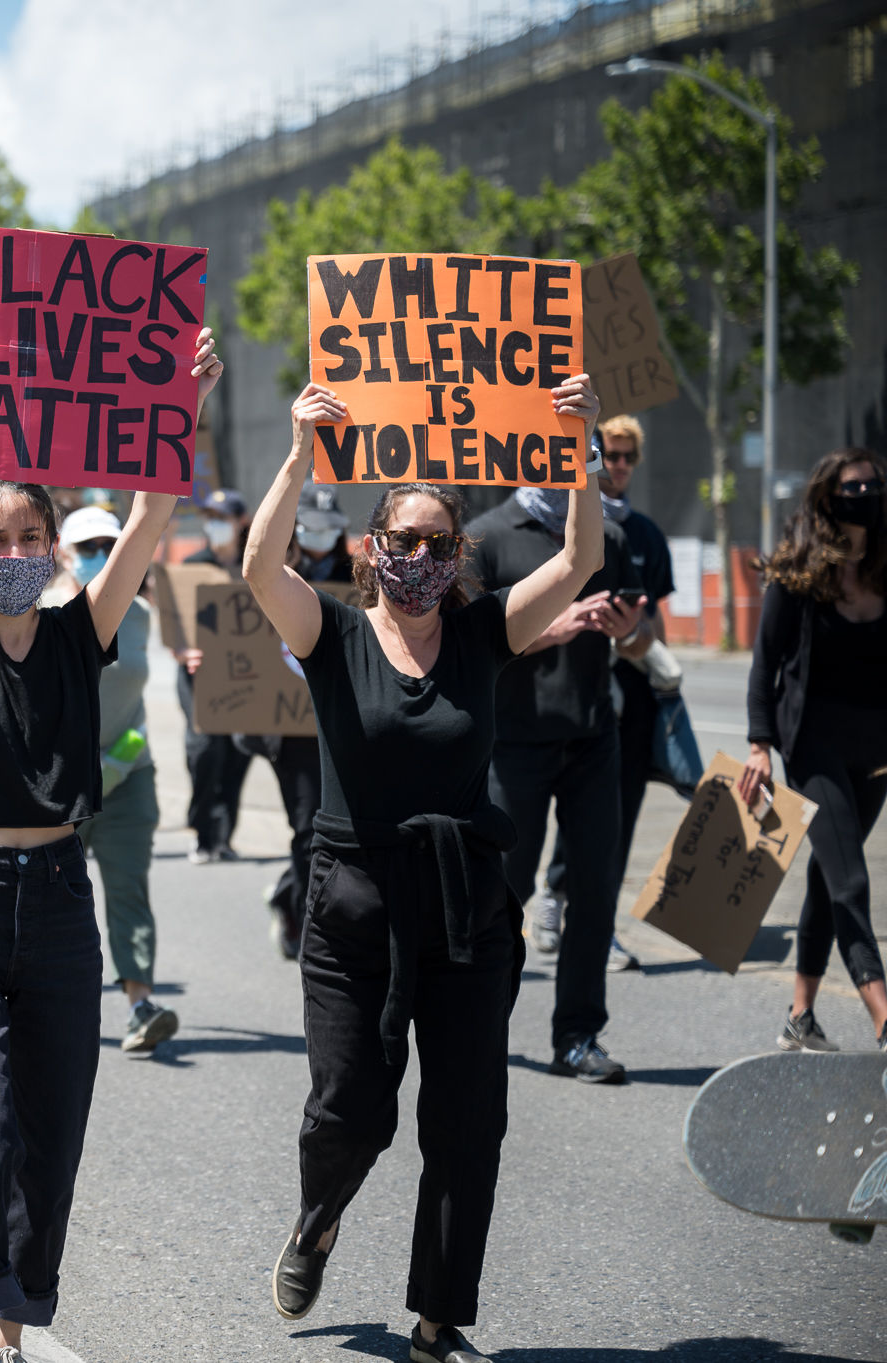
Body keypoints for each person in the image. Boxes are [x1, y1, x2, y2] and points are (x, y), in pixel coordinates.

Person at [246, 374, 602, 1363]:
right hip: (353, 901)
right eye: (402, 540)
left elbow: (580, 558)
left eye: (440, 544)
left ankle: (439, 1320)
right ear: (371, 548)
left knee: (465, 1118)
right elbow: (258, 565)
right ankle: (318, 1219)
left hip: (464, 902)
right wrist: (298, 452)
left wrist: (575, 448)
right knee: (348, 1108)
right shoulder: (330, 634)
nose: (420, 558)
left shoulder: (484, 634)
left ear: (459, 555)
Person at [0, 325, 218, 1359]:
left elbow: (151, 513)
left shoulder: (84, 630)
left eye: (32, 537)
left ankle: (19, 1311)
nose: (13, 554)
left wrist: (181, 405)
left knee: (50, 1140)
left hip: (62, 911)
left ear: (55, 550)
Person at [468, 453, 650, 1085]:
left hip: (594, 741)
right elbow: (468, 643)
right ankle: (474, 1027)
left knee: (595, 893)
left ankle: (577, 1036)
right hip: (514, 744)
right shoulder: (488, 536)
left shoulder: (607, 537)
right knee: (503, 894)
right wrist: (550, 627)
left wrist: (630, 633)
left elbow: (642, 641)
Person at [742, 447, 887, 1053]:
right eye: (855, 488)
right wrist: (759, 746)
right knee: (851, 881)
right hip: (812, 744)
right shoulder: (799, 571)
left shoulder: (884, 567)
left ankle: (800, 1017)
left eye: (874, 487)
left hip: (875, 752)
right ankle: (884, 1019)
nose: (867, 497)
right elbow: (765, 664)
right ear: (829, 497)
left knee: (829, 878)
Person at [532, 413, 673, 973]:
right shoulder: (549, 524)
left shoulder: (641, 535)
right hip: (560, 692)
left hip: (626, 700)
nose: (617, 465)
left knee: (612, 820)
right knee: (565, 813)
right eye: (608, 455)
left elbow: (653, 624)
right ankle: (553, 892)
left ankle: (598, 926)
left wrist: (636, 640)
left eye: (626, 457)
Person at [51, 505, 179, 1054]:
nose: (100, 556)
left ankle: (139, 1005)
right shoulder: (40, 613)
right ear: (63, 554)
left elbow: (134, 698)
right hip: (59, 786)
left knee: (129, 889)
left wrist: (122, 759)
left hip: (128, 778)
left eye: (109, 545)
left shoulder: (141, 613)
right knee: (49, 896)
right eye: (88, 548)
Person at [254, 484, 358, 960]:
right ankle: (308, 921)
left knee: (342, 824)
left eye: (328, 528)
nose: (319, 536)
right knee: (306, 827)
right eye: (310, 527)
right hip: (290, 728)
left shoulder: (359, 578)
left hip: (344, 722)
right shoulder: (270, 573)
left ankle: (290, 893)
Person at [179, 487, 253, 863]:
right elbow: (175, 623)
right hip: (199, 675)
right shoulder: (191, 565)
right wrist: (181, 650)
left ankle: (223, 837)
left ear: (241, 522)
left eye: (223, 518)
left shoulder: (255, 566)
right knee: (205, 750)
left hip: (244, 675)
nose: (215, 524)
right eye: (210, 517)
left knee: (237, 753)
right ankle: (201, 831)